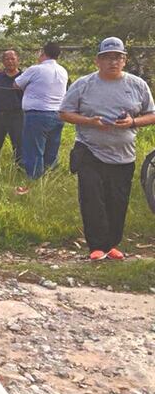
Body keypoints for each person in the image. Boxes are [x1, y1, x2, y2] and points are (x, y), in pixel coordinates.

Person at [59, 37, 155, 260]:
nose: (113, 61)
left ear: (125, 60)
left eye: (117, 57)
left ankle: (112, 244)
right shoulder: (84, 84)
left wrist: (132, 122)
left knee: (117, 200)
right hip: (90, 150)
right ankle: (96, 247)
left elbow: (151, 114)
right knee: (92, 198)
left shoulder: (137, 85)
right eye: (107, 57)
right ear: (97, 61)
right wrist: (90, 121)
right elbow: (64, 112)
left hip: (123, 154)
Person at [14, 42, 68, 179]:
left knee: (34, 150)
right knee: (51, 149)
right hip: (58, 114)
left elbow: (16, 84)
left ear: (43, 53)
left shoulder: (36, 69)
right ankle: (49, 177)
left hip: (37, 114)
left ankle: (34, 180)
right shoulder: (63, 71)